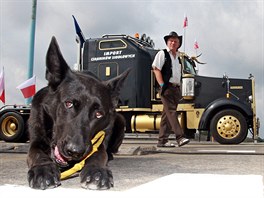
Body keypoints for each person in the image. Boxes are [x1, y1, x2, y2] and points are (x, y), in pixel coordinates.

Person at [152, 31, 190, 147]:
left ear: (178, 43)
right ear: (167, 42)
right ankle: (180, 137)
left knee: (167, 115)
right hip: (166, 87)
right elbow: (156, 69)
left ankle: (162, 140)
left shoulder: (178, 57)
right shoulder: (162, 54)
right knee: (172, 112)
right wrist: (162, 85)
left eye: (175, 41)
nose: (173, 43)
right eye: (171, 41)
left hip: (175, 88)